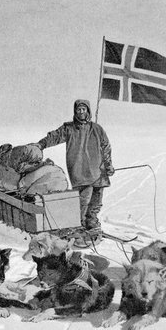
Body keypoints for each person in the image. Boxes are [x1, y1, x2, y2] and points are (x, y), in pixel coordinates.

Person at [35, 99, 114, 233]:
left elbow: (106, 147)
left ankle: (91, 221)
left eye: (84, 109)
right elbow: (54, 136)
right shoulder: (69, 128)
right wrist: (41, 144)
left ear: (88, 111)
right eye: (79, 109)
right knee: (83, 200)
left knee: (96, 199)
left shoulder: (97, 128)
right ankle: (79, 224)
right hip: (80, 169)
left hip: (98, 170)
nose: (81, 112)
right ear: (75, 111)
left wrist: (108, 164)